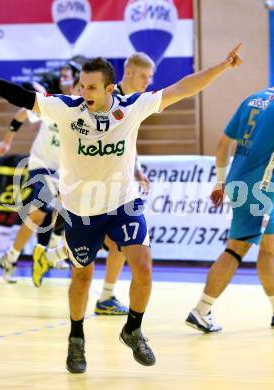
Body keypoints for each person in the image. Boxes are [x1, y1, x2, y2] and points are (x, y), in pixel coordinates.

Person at [0, 43, 242, 373]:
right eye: (82, 85)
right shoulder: (67, 108)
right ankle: (76, 338)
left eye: (91, 87)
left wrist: (222, 66)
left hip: (123, 203)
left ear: (110, 88)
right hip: (81, 210)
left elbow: (183, 87)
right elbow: (21, 98)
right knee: (81, 278)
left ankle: (133, 329)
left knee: (143, 265)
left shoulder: (134, 105)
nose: (84, 92)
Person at [186, 55, 274, 333]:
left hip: (239, 183)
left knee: (268, 247)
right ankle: (201, 310)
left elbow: (222, 143)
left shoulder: (254, 99)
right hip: (259, 191)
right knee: (236, 249)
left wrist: (220, 183)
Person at [0, 72, 78, 283]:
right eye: (80, 88)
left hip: (64, 170)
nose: (82, 93)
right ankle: (51, 250)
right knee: (41, 211)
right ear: (73, 89)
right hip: (41, 164)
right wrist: (7, 140)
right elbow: (22, 115)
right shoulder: (55, 105)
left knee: (50, 212)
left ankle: (11, 255)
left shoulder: (87, 116)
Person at [95, 52, 154, 316]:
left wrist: (138, 171)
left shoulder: (135, 103)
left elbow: (128, 143)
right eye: (144, 76)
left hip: (120, 188)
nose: (148, 82)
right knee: (105, 244)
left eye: (150, 77)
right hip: (95, 185)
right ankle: (52, 255)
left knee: (118, 245)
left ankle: (106, 297)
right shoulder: (106, 100)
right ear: (128, 72)